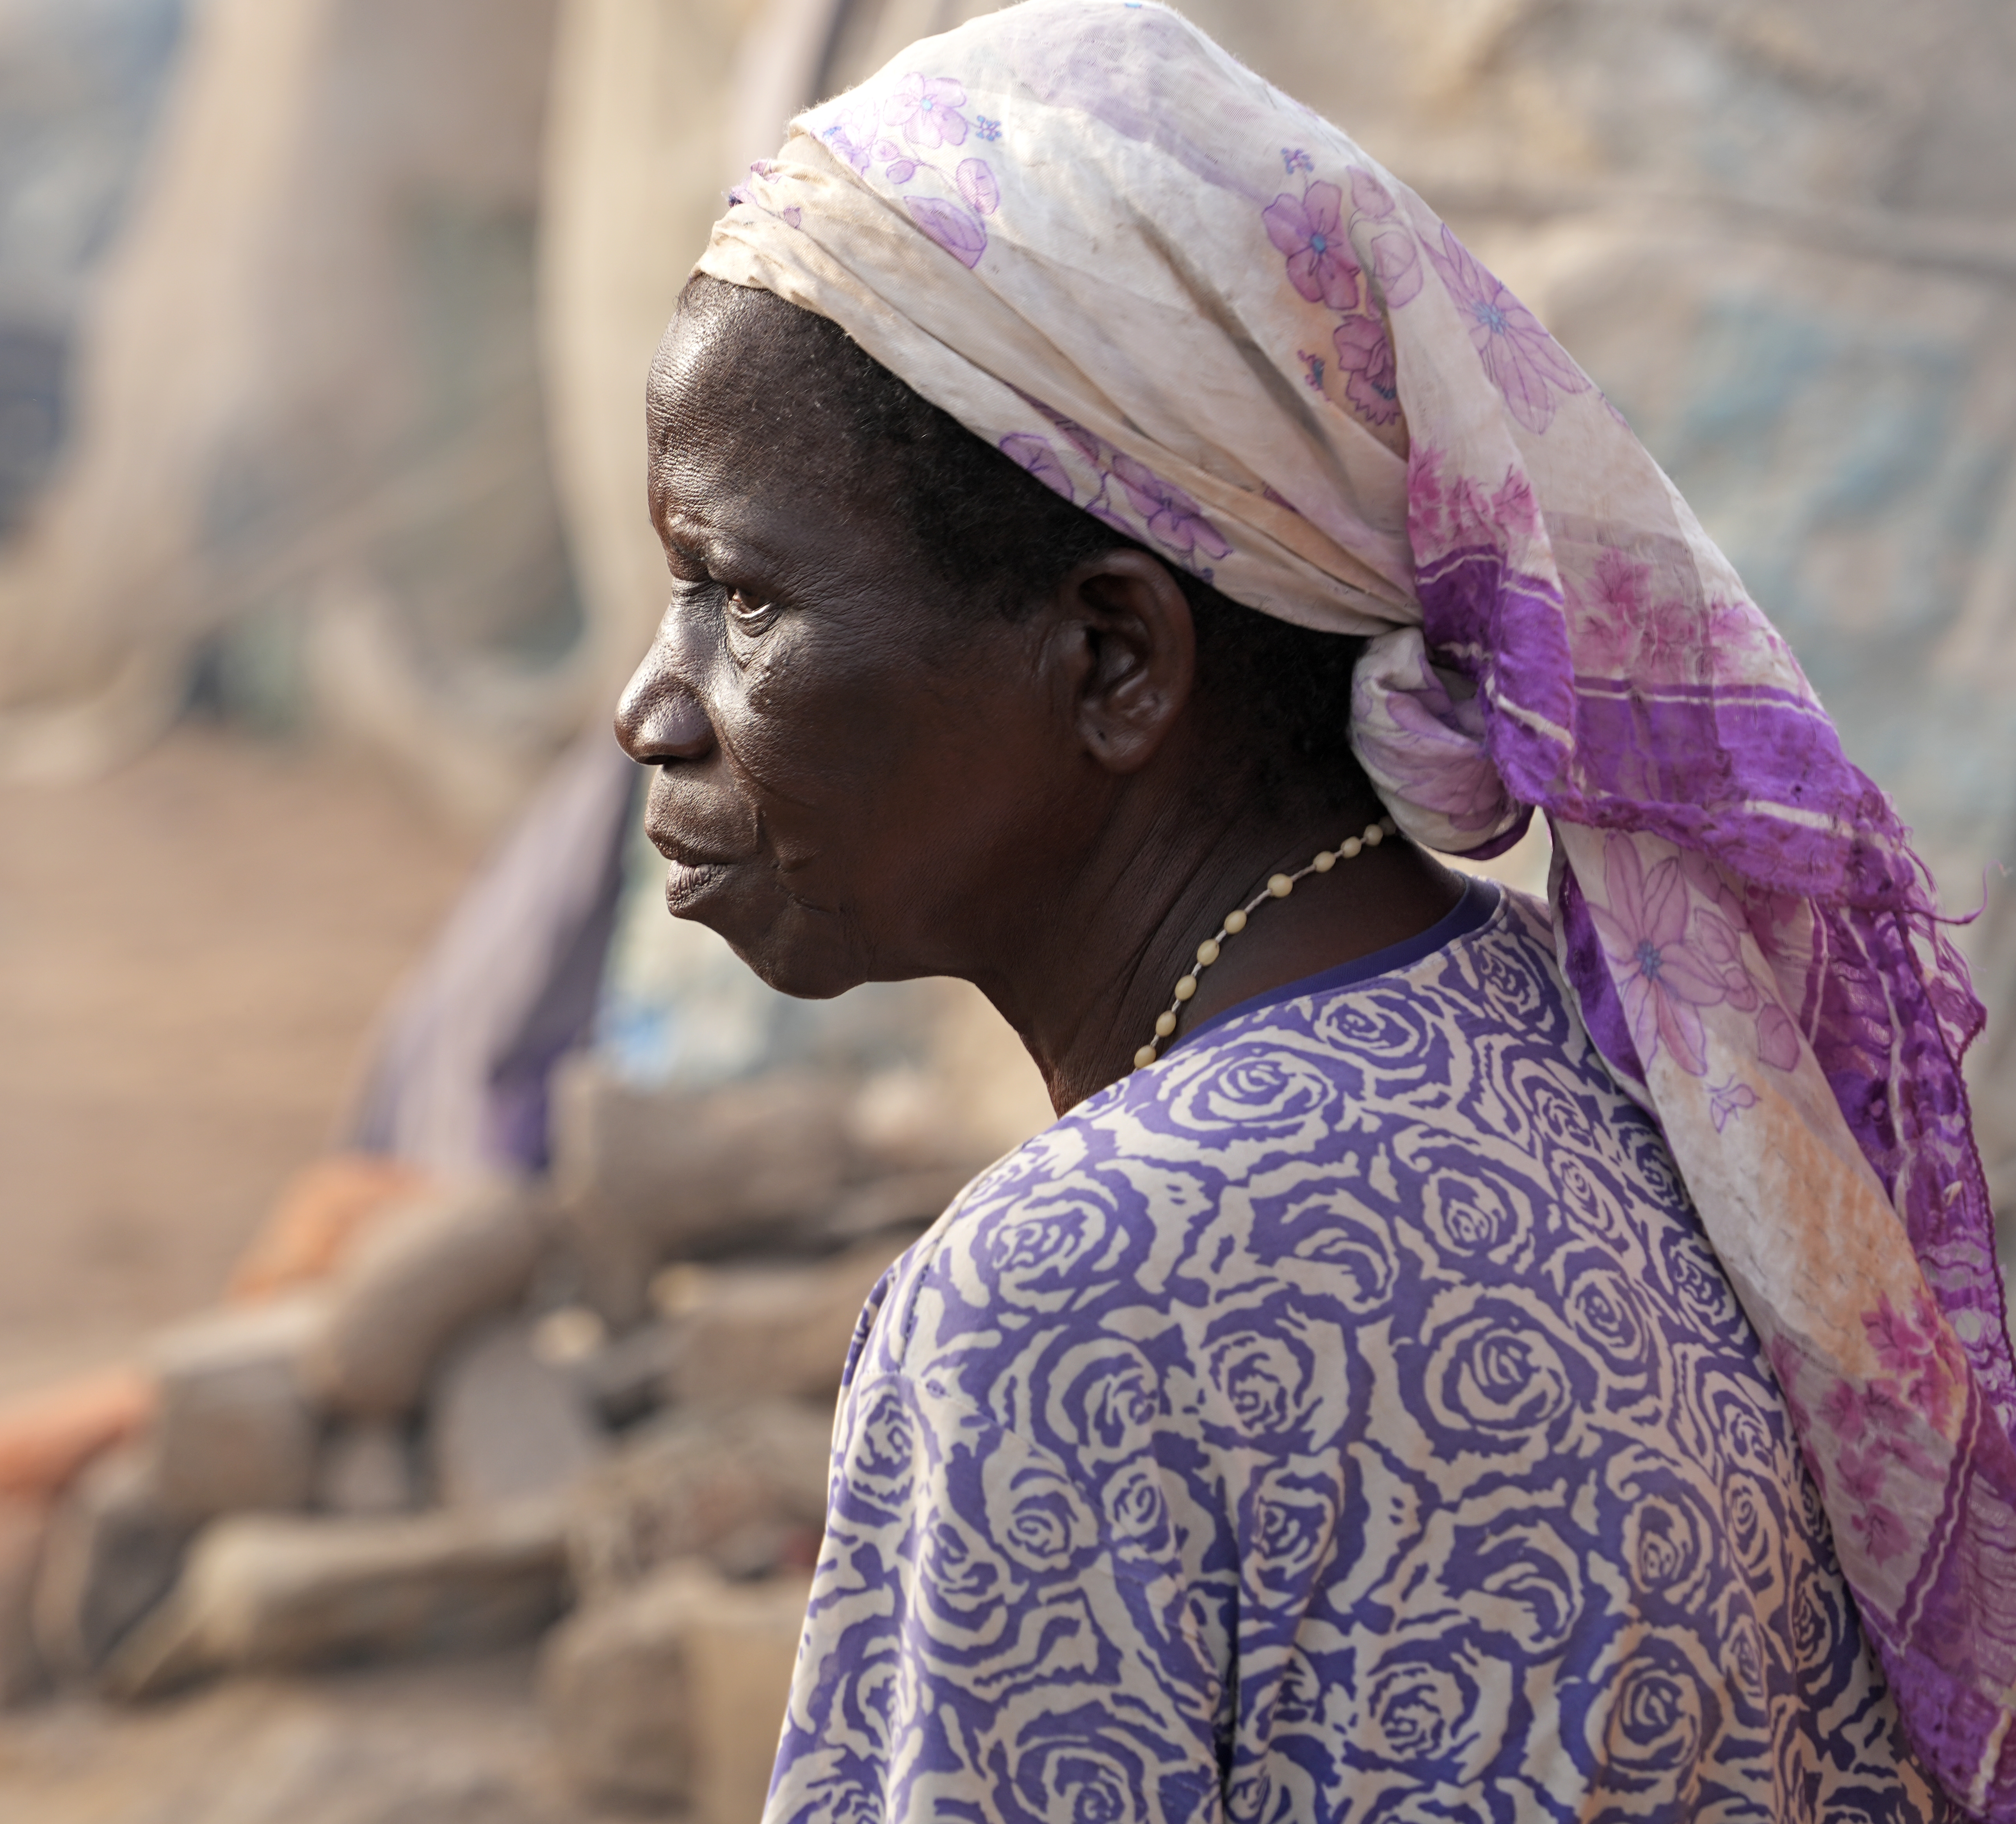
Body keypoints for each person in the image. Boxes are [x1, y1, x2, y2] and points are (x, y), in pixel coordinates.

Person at [611, 3, 2016, 1817]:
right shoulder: (1610, 1058)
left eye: (737, 596)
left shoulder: (1059, 1310)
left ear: (1115, 659)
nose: (649, 708)